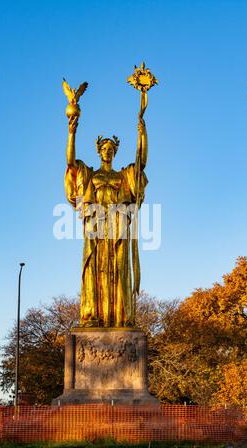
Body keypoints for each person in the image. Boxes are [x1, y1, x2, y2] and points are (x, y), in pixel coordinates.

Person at [64, 113, 148, 327]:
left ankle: (120, 318)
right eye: (104, 149)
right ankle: (93, 316)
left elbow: (141, 163)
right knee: (95, 266)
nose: (108, 152)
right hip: (96, 222)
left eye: (111, 150)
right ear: (99, 152)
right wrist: (71, 133)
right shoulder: (91, 175)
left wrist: (142, 133)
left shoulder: (123, 176)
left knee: (119, 268)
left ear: (115, 152)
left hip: (118, 223)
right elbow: (71, 163)